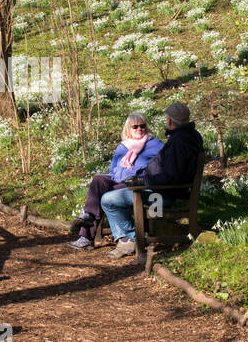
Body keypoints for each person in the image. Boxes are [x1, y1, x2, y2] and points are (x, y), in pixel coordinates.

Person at [99, 101, 203, 259]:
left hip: (161, 198)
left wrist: (143, 182)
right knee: (112, 191)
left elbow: (172, 178)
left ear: (170, 120)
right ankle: (129, 237)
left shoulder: (179, 142)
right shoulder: (188, 137)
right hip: (163, 191)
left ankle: (129, 240)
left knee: (108, 200)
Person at [69, 113, 163, 250]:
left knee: (101, 196)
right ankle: (88, 215)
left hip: (136, 183)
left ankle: (86, 237)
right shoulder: (123, 147)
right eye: (135, 126)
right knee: (98, 180)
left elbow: (160, 166)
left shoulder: (154, 144)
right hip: (118, 180)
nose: (139, 129)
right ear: (128, 129)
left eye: (142, 126)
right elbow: (113, 170)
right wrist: (110, 177)